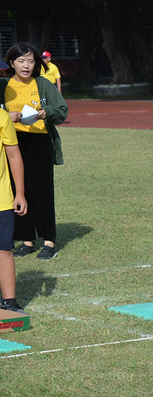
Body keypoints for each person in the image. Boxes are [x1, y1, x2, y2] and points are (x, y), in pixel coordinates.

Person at [1, 42, 68, 260]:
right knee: (17, 191)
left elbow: (62, 111)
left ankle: (49, 241)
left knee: (42, 192)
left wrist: (46, 111)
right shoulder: (3, 85)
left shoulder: (43, 84)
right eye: (21, 61)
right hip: (11, 142)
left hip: (39, 144)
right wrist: (6, 117)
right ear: (11, 63)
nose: (26, 65)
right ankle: (26, 240)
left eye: (30, 61)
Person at [0, 58, 28, 313]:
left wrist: (19, 192)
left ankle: (9, 302)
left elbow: (14, 155)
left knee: (5, 249)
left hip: (3, 200)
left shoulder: (1, 116)